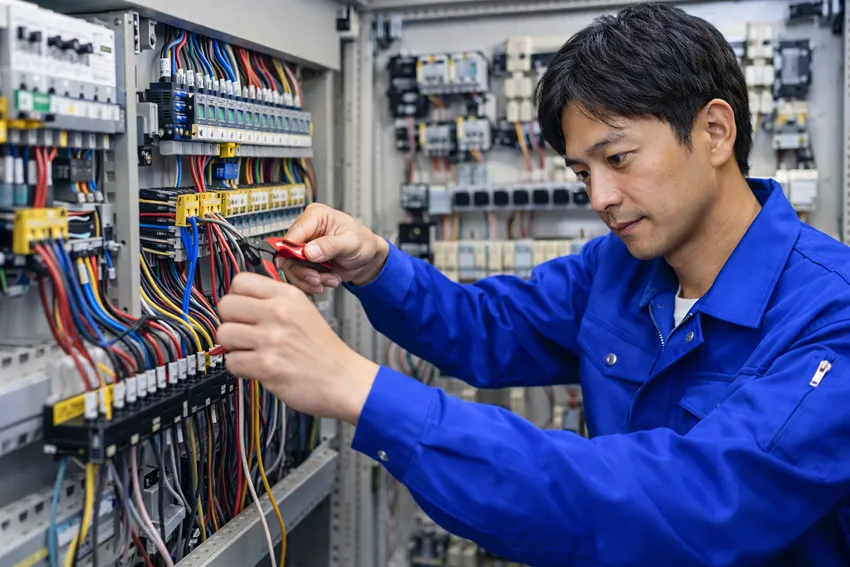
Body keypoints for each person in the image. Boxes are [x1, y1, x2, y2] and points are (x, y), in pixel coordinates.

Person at [216, 3, 850, 566]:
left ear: (714, 131)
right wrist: (375, 264)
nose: (600, 197)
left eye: (618, 158)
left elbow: (683, 504)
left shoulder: (830, 316)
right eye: (582, 172)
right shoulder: (619, 268)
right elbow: (484, 326)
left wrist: (359, 389)